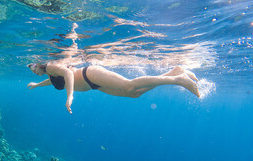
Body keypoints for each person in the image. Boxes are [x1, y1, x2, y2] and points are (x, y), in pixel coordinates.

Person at [27, 63, 200, 114]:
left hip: (90, 75)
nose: (33, 71)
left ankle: (179, 80)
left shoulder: (50, 66)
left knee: (129, 85)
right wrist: (36, 86)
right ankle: (174, 72)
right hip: (93, 85)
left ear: (38, 65)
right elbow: (55, 81)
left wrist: (70, 96)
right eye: (30, 70)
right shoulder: (49, 75)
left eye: (33, 68)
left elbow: (68, 74)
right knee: (134, 94)